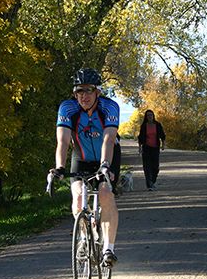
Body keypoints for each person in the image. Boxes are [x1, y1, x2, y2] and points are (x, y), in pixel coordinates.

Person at [50, 68, 120, 266]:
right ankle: (84, 236)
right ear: (74, 93)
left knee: (105, 193)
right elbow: (62, 141)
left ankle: (108, 248)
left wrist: (105, 165)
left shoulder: (110, 107)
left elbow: (109, 138)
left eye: (89, 90)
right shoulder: (67, 108)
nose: (84, 96)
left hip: (108, 156)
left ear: (98, 91)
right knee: (79, 196)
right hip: (81, 157)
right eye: (79, 91)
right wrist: (59, 167)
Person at [137, 109, 166, 191]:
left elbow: (162, 135)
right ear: (146, 117)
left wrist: (163, 145)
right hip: (146, 148)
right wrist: (139, 148)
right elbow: (140, 138)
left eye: (151, 115)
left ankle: (152, 181)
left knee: (155, 167)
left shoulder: (157, 125)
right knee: (147, 167)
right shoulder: (144, 126)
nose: (150, 117)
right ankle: (149, 185)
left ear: (153, 116)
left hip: (155, 148)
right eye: (148, 115)